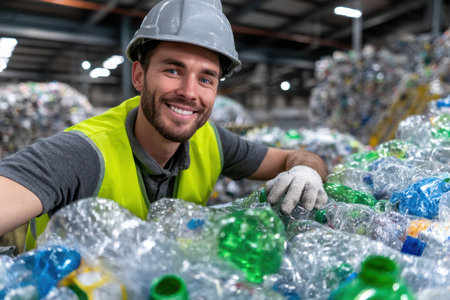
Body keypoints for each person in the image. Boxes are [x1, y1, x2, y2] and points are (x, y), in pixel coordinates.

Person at [0, 0, 328, 250]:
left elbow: (297, 157)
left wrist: (306, 171)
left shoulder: (213, 141)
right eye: (173, 70)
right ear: (139, 75)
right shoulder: (82, 153)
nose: (188, 92)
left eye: (205, 78)